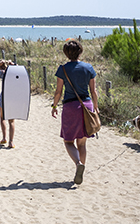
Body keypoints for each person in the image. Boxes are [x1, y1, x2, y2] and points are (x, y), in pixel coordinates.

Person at [51, 39, 99, 185]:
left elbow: (59, 91)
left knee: (68, 140)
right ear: (80, 51)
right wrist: (95, 108)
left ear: (66, 53)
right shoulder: (88, 68)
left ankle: (78, 164)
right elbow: (93, 91)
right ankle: (80, 169)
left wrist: (54, 106)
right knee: (82, 143)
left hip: (71, 107)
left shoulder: (63, 69)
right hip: (87, 106)